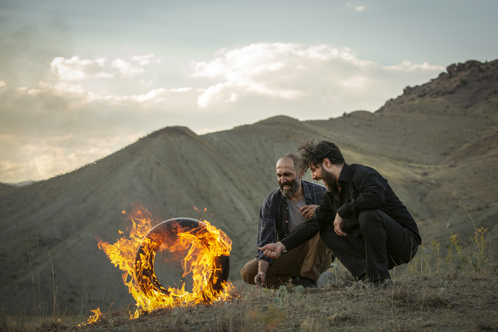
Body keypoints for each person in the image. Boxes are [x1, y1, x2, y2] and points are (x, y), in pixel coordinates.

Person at [259, 141, 421, 287]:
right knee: (325, 230)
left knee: (367, 215)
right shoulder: (332, 194)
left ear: (327, 163)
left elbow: (375, 197)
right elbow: (314, 223)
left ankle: (379, 280)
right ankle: (367, 277)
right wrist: (281, 245)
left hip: (404, 242)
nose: (314, 176)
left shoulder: (363, 174)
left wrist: (342, 212)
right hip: (375, 248)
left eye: (315, 169)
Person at [240, 153, 334, 288]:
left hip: (319, 254)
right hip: (289, 253)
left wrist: (322, 211)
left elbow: (342, 218)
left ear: (301, 173)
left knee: (323, 225)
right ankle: (298, 282)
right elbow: (265, 242)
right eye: (279, 175)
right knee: (248, 272)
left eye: (287, 175)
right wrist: (261, 271)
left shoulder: (321, 193)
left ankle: (309, 278)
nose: (282, 180)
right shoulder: (272, 201)